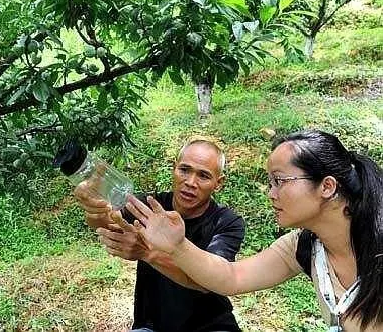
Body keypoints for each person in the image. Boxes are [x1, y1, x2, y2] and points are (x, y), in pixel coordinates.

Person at [127, 130, 383, 332]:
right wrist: (177, 246)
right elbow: (232, 277)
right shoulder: (302, 246)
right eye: (270, 183)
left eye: (279, 181)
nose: (271, 194)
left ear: (326, 187)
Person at [74, 138, 245, 332]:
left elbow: (211, 281)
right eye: (185, 170)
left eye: (203, 176)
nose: (190, 182)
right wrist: (94, 209)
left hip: (212, 325)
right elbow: (109, 223)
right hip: (152, 325)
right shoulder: (149, 206)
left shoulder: (227, 222)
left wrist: (148, 252)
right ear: (174, 168)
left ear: (218, 183)